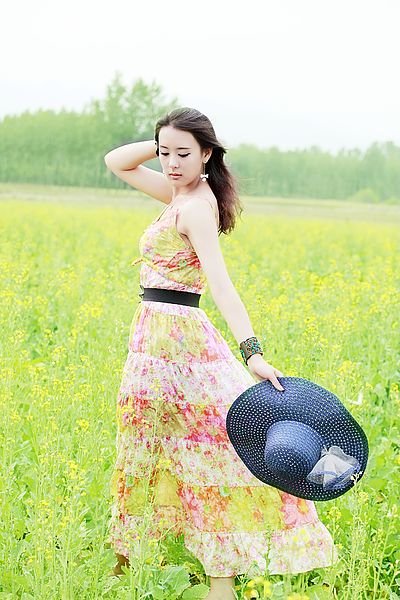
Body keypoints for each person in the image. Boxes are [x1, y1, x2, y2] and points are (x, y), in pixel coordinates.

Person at [104, 107, 337, 600]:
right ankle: (127, 567)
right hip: (154, 338)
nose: (170, 163)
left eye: (183, 154)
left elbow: (221, 283)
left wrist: (251, 351)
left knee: (210, 447)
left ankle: (219, 582)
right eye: (165, 153)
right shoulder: (178, 192)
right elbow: (117, 161)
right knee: (149, 437)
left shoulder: (193, 206)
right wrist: (165, 140)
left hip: (179, 338)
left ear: (208, 154)